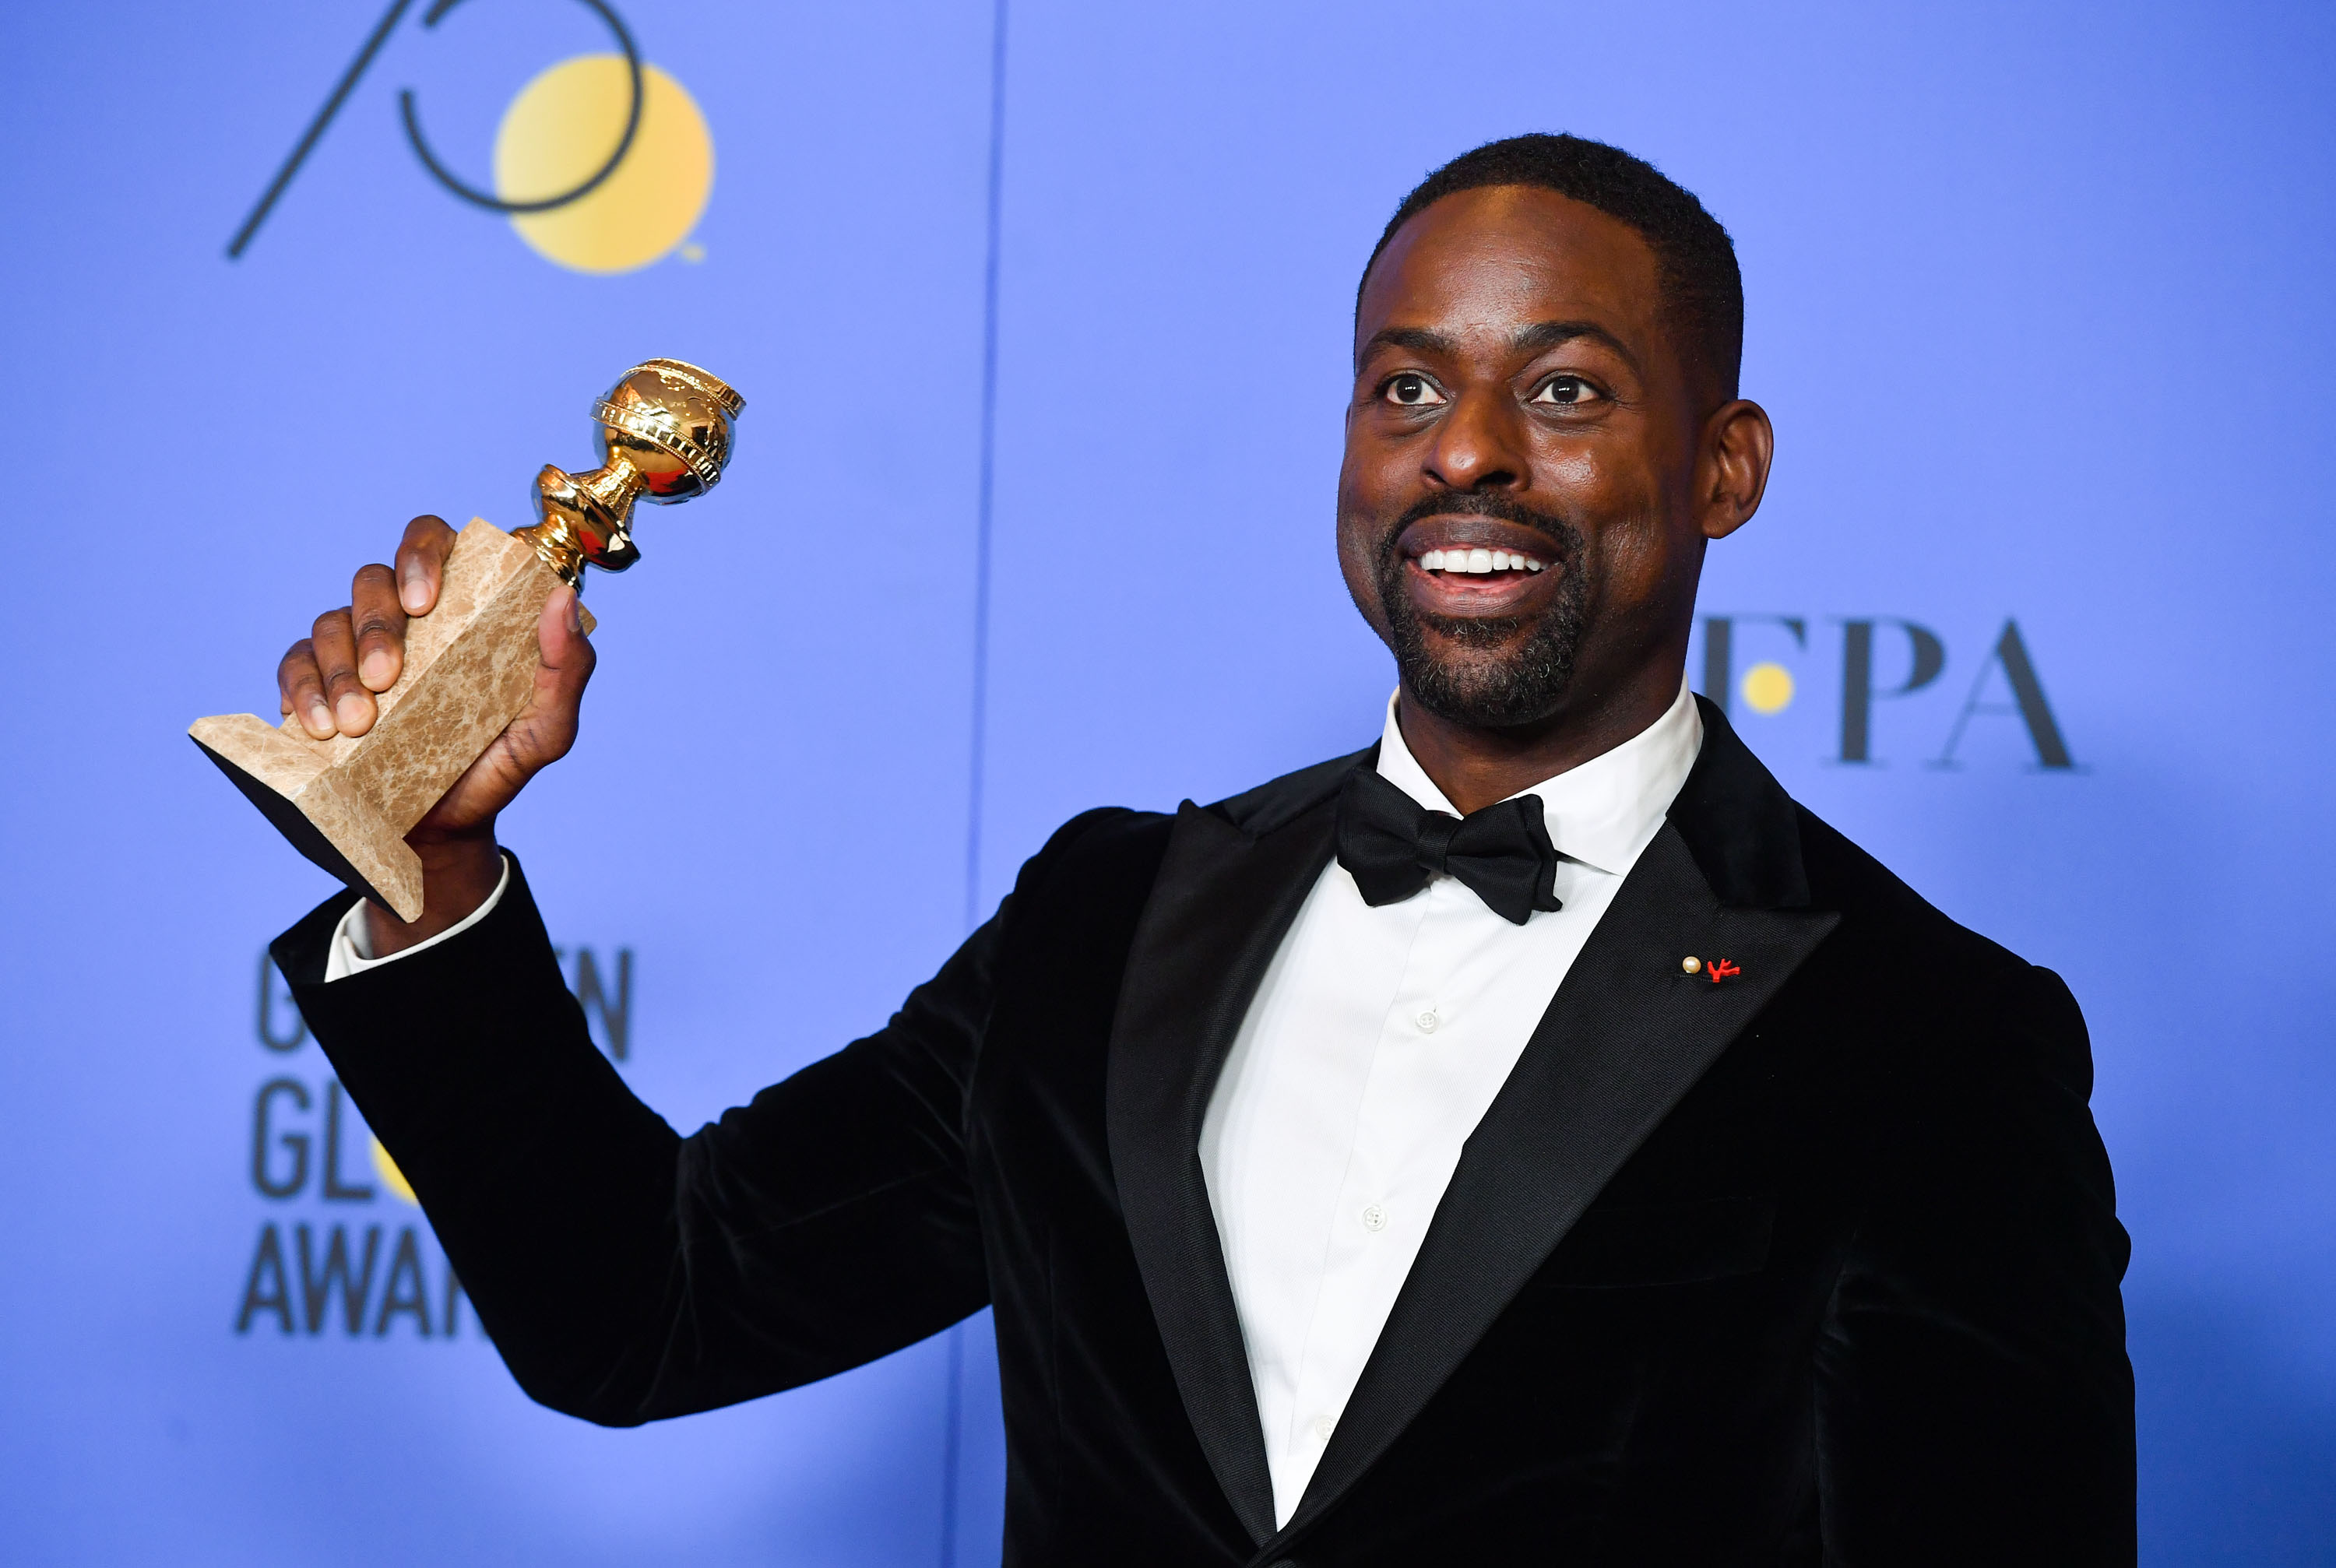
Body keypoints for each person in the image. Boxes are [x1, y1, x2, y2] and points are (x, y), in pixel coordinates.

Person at [269, 134, 2135, 1565]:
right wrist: (430, 869)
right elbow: (648, 1308)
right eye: (1405, 386)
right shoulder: (1105, 920)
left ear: (1725, 466)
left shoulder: (1930, 1037)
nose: (1464, 451)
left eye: (1563, 389)